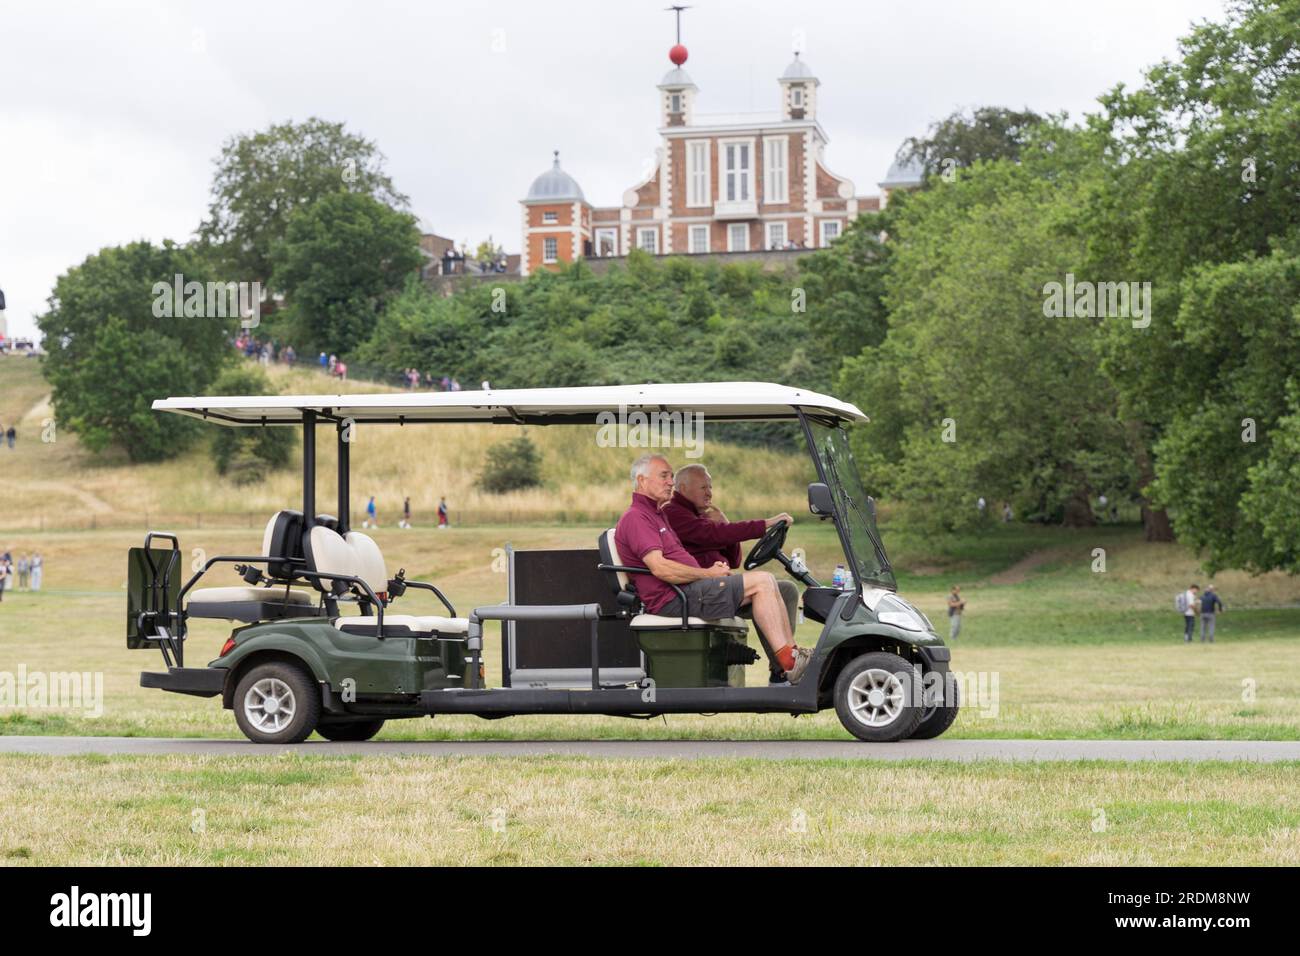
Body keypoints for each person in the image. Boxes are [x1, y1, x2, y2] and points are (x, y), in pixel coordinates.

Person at [614, 454, 811, 683]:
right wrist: (708, 573)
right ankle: (790, 664)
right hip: (677, 597)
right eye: (664, 476)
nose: (671, 482)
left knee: (777, 586)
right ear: (642, 480)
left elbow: (730, 555)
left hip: (692, 590)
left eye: (671, 476)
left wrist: (711, 571)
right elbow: (661, 569)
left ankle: (791, 661)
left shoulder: (657, 515)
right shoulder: (639, 517)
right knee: (763, 581)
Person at [663, 463, 797, 684]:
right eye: (703, 487)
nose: (709, 493)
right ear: (683, 488)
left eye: (711, 487)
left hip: (722, 586)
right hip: (701, 591)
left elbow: (734, 560)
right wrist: (765, 524)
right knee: (764, 582)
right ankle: (789, 664)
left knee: (787, 589)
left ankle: (781, 669)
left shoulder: (702, 515)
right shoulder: (674, 513)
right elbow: (712, 535)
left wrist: (724, 523)